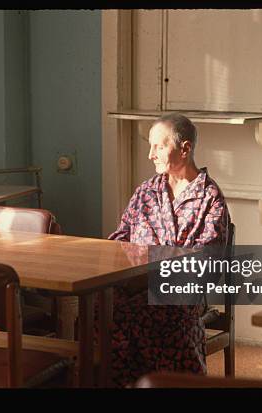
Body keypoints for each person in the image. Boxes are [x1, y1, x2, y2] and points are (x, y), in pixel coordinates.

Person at [107, 112, 230, 387]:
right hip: (133, 283)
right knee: (99, 307)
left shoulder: (210, 198)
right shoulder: (146, 192)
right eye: (150, 146)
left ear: (185, 149)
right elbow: (120, 237)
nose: (151, 154)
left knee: (139, 314)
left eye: (158, 146)